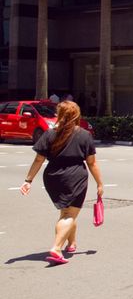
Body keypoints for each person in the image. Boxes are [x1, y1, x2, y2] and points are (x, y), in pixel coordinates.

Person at [20, 101, 105, 265]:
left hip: (53, 177)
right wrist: (100, 184)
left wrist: (28, 180)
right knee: (69, 214)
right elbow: (92, 163)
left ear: (59, 115)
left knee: (66, 212)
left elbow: (39, 159)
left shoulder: (50, 134)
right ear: (77, 115)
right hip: (75, 177)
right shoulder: (84, 135)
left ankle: (71, 243)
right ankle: (56, 249)